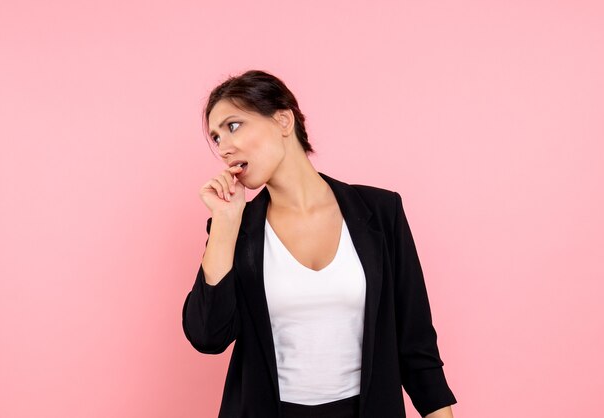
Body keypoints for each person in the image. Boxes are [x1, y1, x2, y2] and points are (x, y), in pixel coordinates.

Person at [182, 69, 458, 418]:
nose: (224, 148)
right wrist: (224, 222)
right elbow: (208, 336)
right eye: (216, 138)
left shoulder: (380, 212)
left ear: (283, 120)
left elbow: (415, 342)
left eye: (233, 126)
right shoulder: (236, 229)